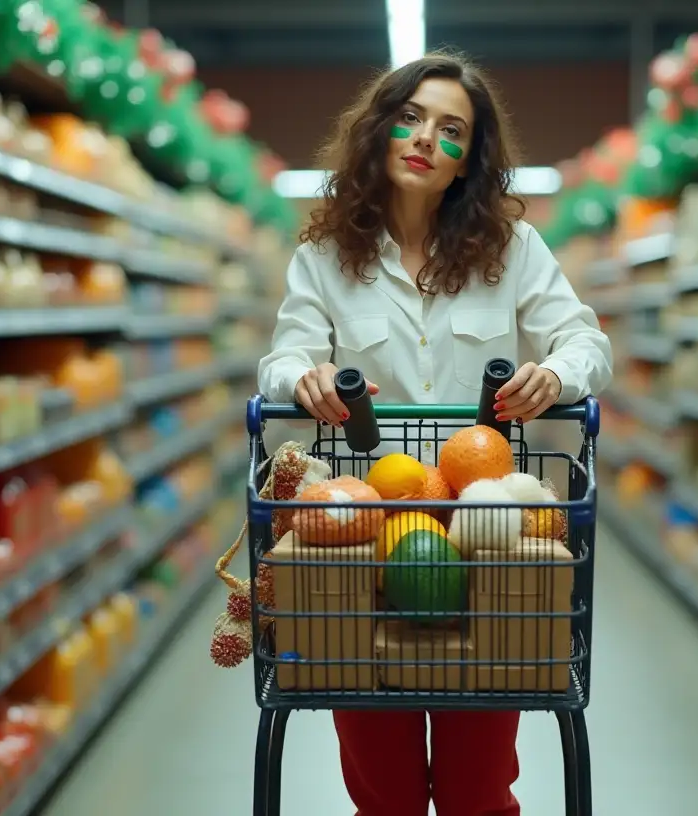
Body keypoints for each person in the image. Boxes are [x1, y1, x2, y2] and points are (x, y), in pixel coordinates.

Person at [256, 52, 612, 816]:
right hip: (359, 533)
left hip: (487, 538)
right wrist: (302, 378)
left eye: (452, 131)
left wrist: (557, 375)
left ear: (466, 163)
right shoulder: (324, 257)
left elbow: (587, 343)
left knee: (479, 790)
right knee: (380, 793)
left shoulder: (513, 251)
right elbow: (284, 355)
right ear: (381, 130)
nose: (426, 139)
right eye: (411, 118)